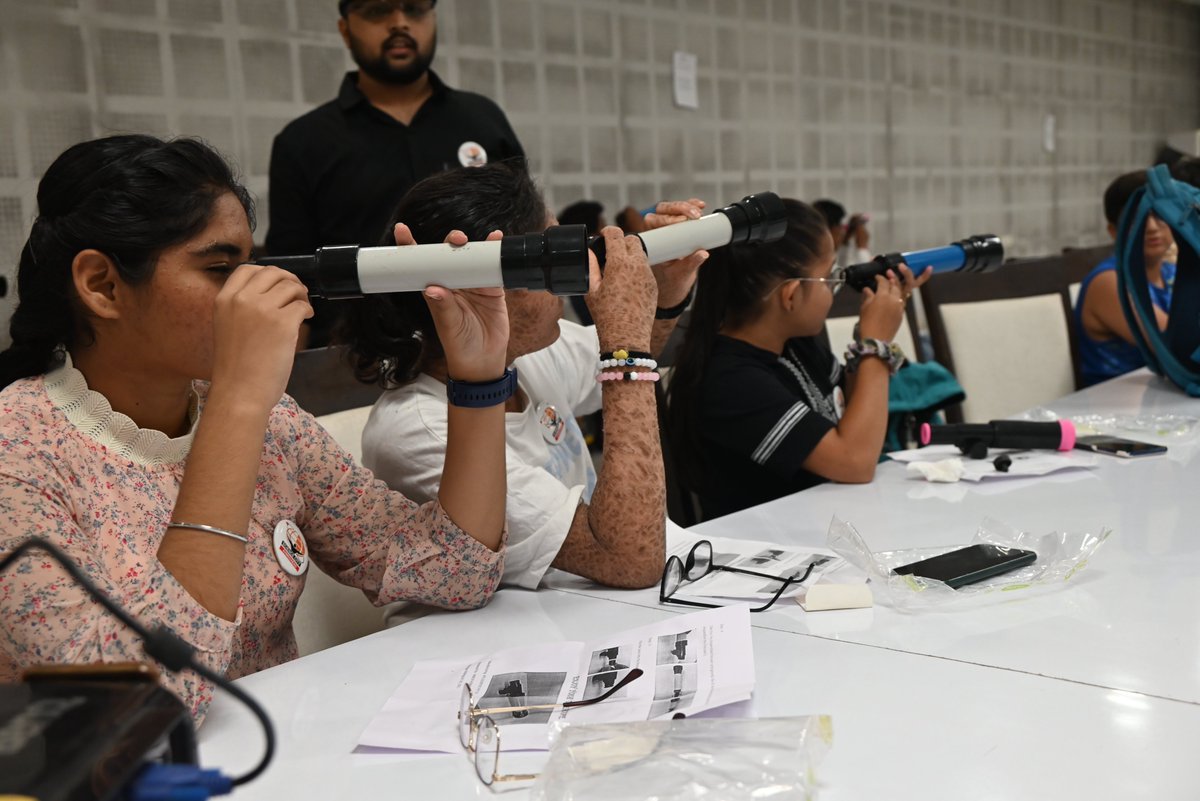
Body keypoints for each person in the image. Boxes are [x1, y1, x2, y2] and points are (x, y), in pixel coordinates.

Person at [0, 135, 509, 723]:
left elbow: (454, 571)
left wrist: (477, 378)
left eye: (251, 266)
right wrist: (238, 405)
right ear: (102, 285)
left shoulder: (269, 420)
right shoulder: (20, 453)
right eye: (220, 270)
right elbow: (126, 715)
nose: (253, 294)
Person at [341, 162, 707, 594]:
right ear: (489, 283)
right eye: (556, 258)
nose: (572, 282)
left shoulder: (526, 355)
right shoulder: (416, 429)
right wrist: (626, 337)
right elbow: (627, 558)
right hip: (487, 647)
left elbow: (617, 361)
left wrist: (663, 294)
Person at [266, 0, 524, 345]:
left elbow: (525, 232)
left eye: (414, 9)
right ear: (345, 29)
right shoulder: (303, 142)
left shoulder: (484, 120)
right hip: (355, 359)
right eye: (377, 11)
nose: (399, 23)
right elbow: (289, 280)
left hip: (490, 337)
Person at [666, 199, 930, 520]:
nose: (836, 286)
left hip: (831, 521)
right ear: (790, 294)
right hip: (771, 551)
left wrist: (866, 341)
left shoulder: (795, 345)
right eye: (829, 276)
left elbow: (852, 411)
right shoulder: (730, 381)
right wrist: (877, 346)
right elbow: (856, 461)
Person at [1074, 170, 1176, 387]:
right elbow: (1175, 347)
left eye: (1159, 213)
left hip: (1165, 399)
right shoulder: (1108, 281)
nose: (1152, 228)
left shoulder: (1171, 272)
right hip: (1112, 411)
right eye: (1138, 218)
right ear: (1113, 231)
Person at [813, 198, 871, 268]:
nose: (843, 232)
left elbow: (841, 269)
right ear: (833, 229)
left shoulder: (811, 259)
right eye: (842, 227)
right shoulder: (823, 266)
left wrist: (845, 243)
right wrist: (862, 248)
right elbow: (841, 276)